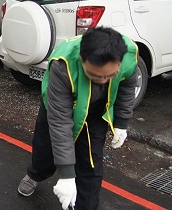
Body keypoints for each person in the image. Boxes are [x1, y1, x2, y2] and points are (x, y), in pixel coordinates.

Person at [17, 27, 138, 210]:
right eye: (96, 76)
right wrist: (66, 175)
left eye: (110, 75)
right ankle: (36, 174)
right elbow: (60, 122)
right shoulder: (63, 64)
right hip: (60, 106)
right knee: (45, 148)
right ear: (82, 60)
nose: (104, 81)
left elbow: (127, 86)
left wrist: (121, 122)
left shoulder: (128, 56)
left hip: (96, 112)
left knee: (91, 161)